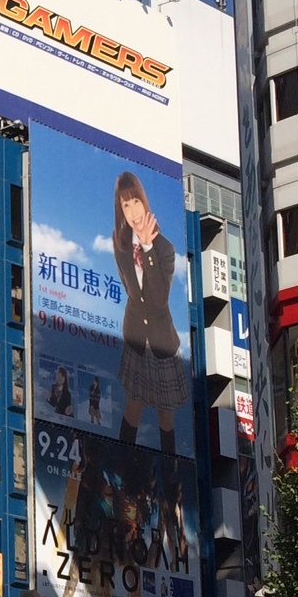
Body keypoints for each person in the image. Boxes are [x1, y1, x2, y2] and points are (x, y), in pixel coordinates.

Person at [112, 170, 186, 451]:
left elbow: (158, 299)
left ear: (144, 202)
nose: (133, 211)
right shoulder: (119, 242)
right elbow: (130, 288)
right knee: (132, 406)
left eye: (136, 202)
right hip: (135, 336)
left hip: (161, 341)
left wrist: (147, 247)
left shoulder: (165, 248)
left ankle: (170, 470)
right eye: (125, 204)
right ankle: (123, 463)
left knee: (166, 415)